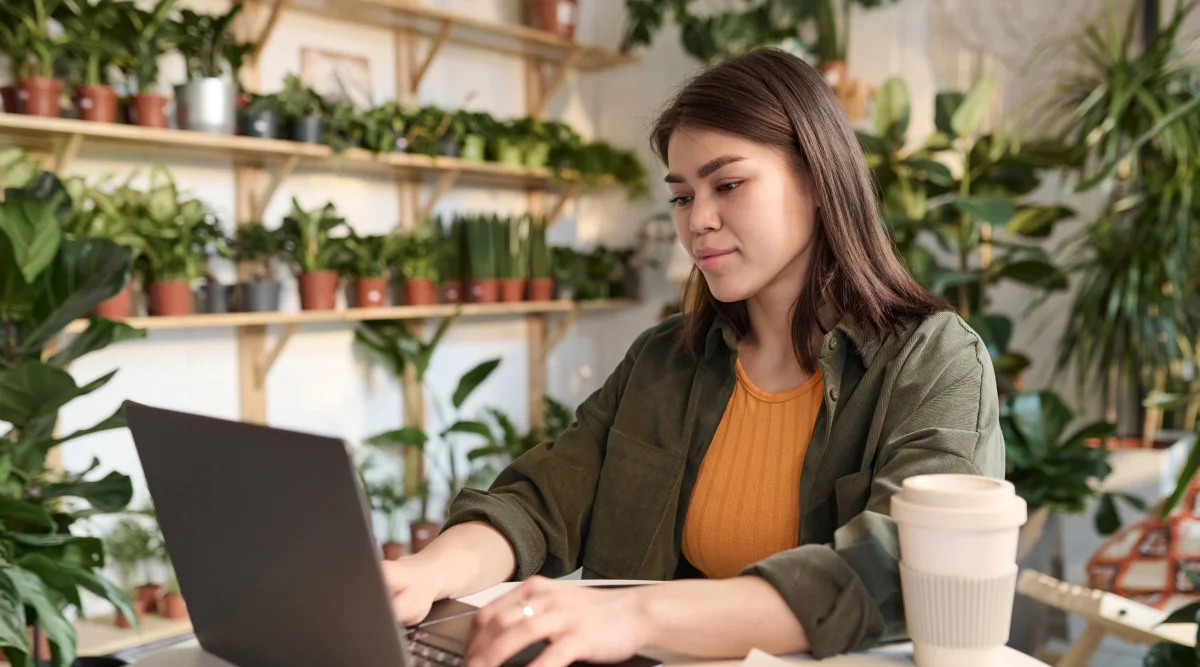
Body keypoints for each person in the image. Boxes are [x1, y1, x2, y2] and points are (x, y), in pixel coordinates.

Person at [383, 48, 1004, 666]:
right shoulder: (665, 358)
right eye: (682, 196)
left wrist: (629, 618)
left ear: (818, 182)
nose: (697, 221)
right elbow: (539, 500)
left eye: (728, 185)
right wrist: (426, 572)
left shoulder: (936, 362)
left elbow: (899, 567)